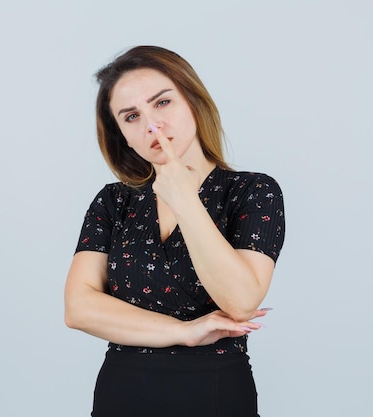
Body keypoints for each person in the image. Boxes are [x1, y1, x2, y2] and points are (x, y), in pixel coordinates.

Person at [64, 46, 286, 417]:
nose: (152, 126)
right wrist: (184, 331)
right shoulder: (113, 202)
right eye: (131, 116)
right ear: (123, 137)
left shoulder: (253, 192)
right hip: (122, 392)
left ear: (193, 102)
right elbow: (79, 308)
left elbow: (241, 301)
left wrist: (185, 200)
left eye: (162, 103)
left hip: (214, 392)